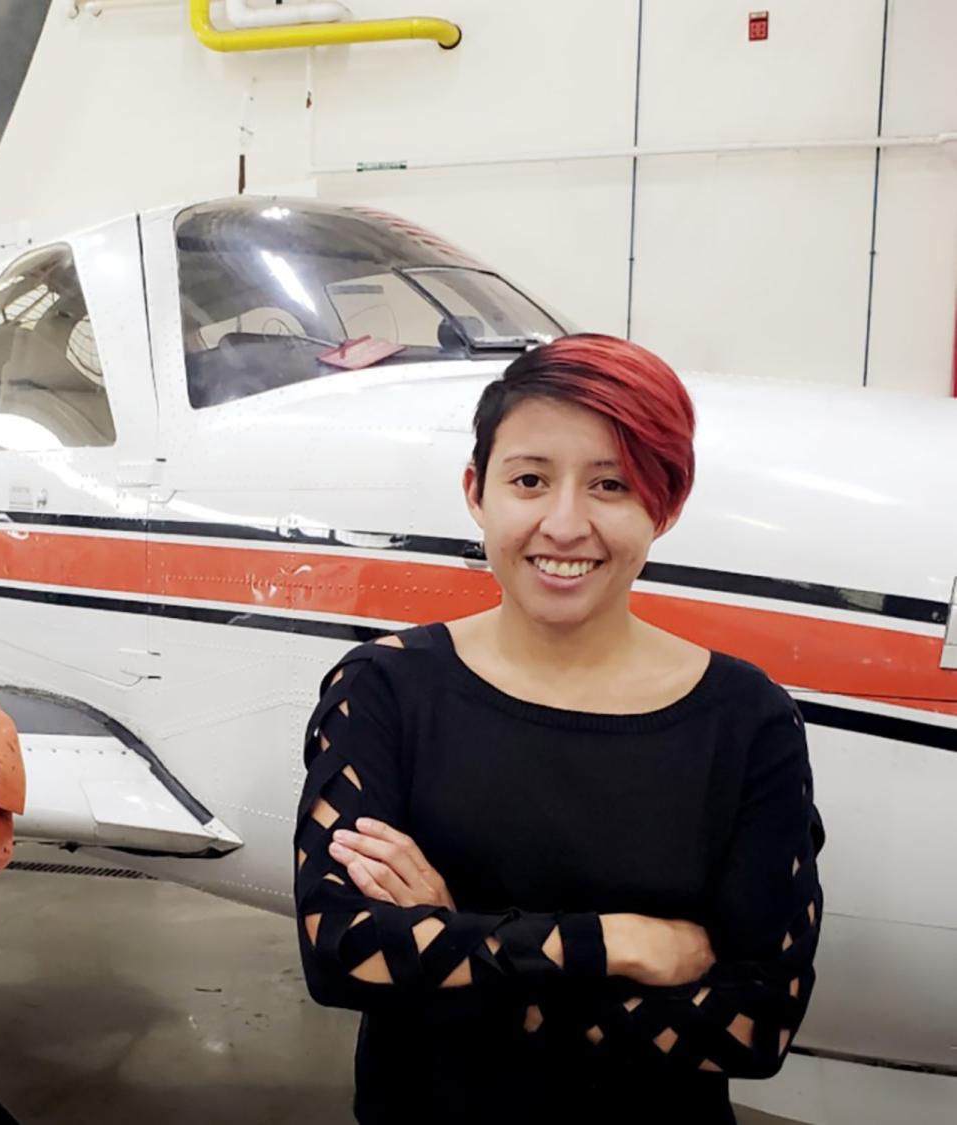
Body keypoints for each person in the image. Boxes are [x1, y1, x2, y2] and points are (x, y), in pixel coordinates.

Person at [293, 335, 824, 1124]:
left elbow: (754, 1026)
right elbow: (341, 951)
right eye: (530, 480)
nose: (564, 523)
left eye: (611, 484)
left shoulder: (748, 719)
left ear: (666, 504)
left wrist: (453, 940)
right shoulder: (383, 689)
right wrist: (618, 944)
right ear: (478, 492)